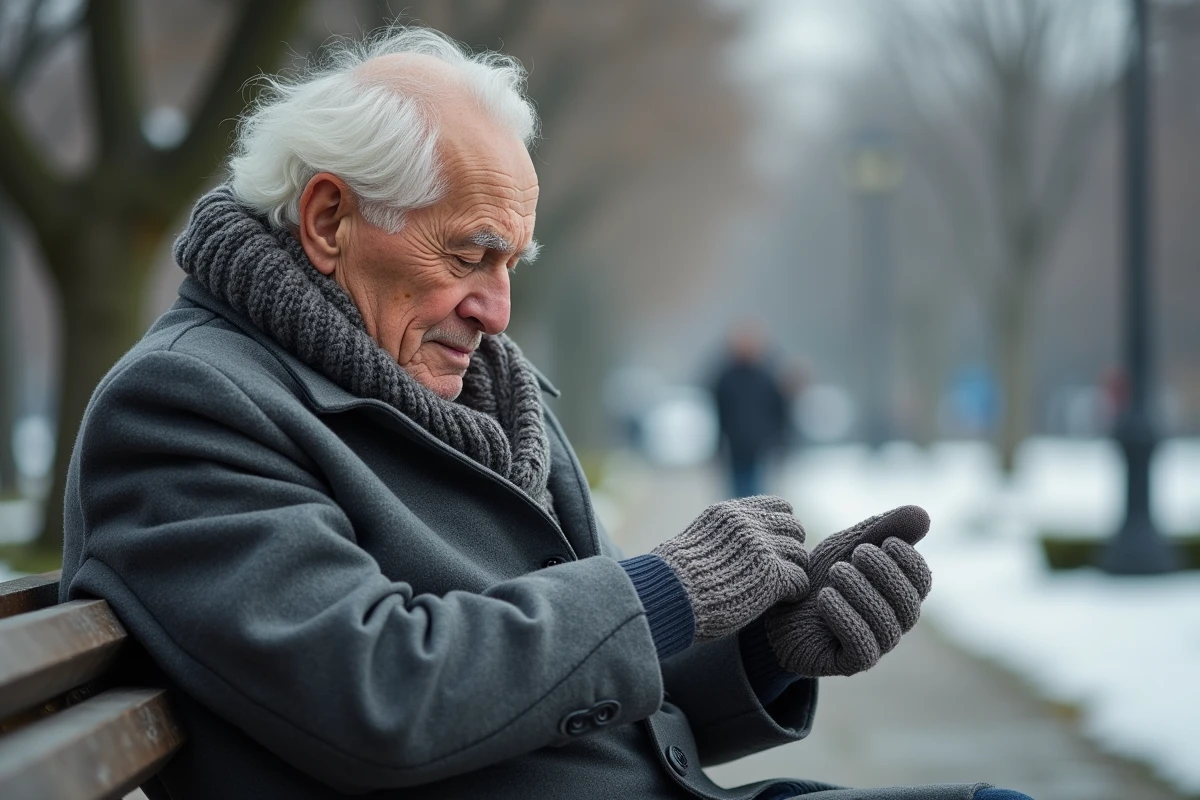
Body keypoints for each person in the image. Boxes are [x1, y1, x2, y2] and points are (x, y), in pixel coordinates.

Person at [59, 27, 1032, 800]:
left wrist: (768, 653)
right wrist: (665, 590)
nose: (497, 309)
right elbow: (378, 695)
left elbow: (565, 700)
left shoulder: (486, 394)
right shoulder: (185, 406)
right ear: (327, 220)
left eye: (508, 264)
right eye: (467, 253)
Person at [712, 326, 790, 497]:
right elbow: (719, 413)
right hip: (735, 447)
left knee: (758, 493)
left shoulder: (768, 377)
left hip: (761, 448)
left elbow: (780, 410)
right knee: (737, 494)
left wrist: (780, 439)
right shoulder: (726, 378)